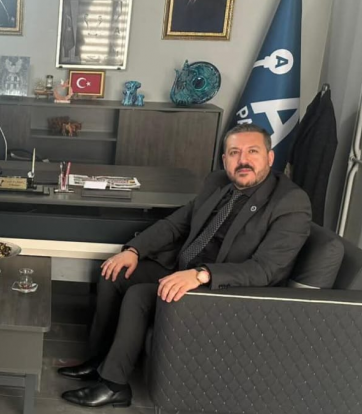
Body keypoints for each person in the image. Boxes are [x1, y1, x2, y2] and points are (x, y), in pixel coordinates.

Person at [58, 124, 312, 408]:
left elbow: (266, 269)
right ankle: (99, 361)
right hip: (184, 268)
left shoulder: (290, 202)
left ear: (270, 157)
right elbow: (175, 224)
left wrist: (203, 275)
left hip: (224, 288)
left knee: (140, 296)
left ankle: (114, 385)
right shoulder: (218, 183)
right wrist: (134, 250)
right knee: (113, 273)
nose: (243, 160)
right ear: (224, 159)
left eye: (252, 151)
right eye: (234, 153)